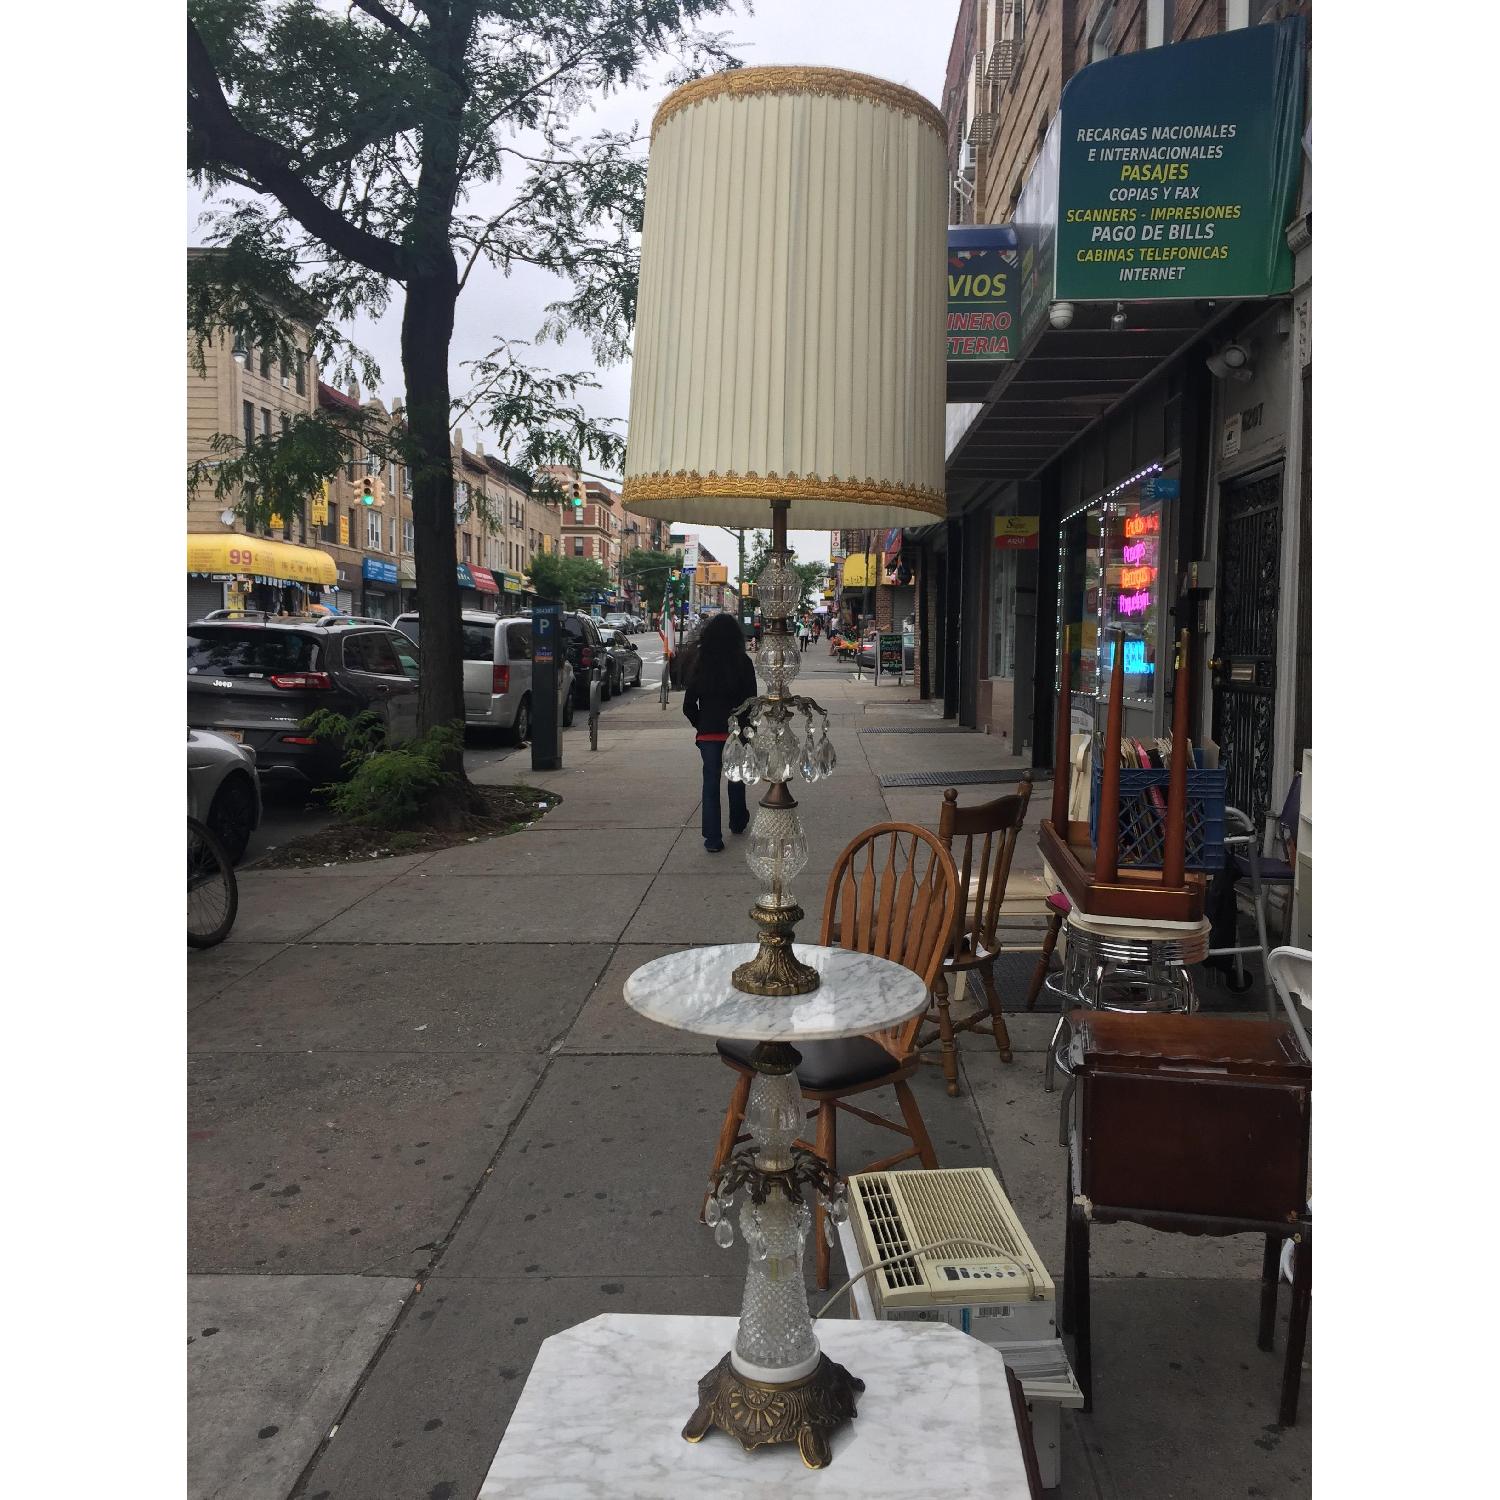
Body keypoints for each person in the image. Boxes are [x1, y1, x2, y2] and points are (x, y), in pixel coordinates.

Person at [683, 613, 756, 853]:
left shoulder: (701, 661)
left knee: (710, 784)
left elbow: (688, 705)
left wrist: (701, 724)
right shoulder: (743, 662)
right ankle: (737, 821)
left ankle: (712, 839)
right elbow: (752, 702)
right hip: (735, 732)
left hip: (708, 734)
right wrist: (748, 730)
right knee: (736, 779)